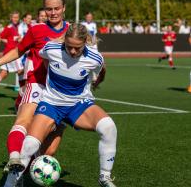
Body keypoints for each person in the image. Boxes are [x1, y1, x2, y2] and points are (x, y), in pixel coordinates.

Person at [7, 23, 117, 187]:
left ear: (85, 43)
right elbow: (44, 59)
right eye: (69, 46)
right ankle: (10, 184)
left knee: (109, 127)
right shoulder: (51, 49)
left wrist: (96, 83)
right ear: (64, 41)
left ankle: (104, 177)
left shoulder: (95, 57)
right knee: (30, 145)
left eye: (77, 48)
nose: (73, 51)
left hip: (78, 104)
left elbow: (102, 70)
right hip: (51, 103)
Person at [0, 0, 69, 186]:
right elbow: (18, 50)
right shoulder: (36, 30)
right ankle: (14, 161)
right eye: (48, 9)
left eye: (56, 8)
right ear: (44, 10)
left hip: (61, 91)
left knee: (49, 152)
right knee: (24, 119)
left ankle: (22, 166)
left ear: (63, 8)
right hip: (37, 83)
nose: (52, 12)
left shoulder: (73, 31)